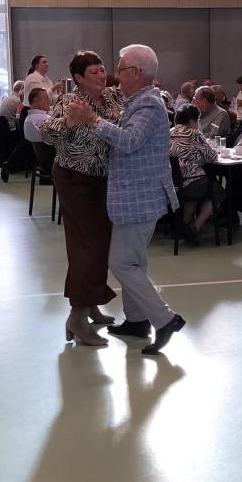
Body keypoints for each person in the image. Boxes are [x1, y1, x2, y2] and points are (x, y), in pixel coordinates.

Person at [66, 44, 184, 356]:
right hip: (135, 198)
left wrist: (92, 120)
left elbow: (130, 141)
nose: (116, 76)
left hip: (139, 199)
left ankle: (165, 319)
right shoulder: (138, 101)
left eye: (121, 69)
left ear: (137, 73)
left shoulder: (148, 105)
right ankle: (136, 320)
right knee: (134, 261)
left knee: (121, 262)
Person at [45, 51, 122, 347]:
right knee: (88, 246)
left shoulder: (113, 98)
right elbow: (45, 133)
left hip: (104, 179)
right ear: (78, 78)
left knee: (98, 244)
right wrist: (68, 122)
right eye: (94, 72)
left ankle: (90, 304)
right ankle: (77, 317)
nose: (101, 75)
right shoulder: (70, 101)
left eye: (102, 70)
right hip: (74, 178)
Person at [169, 104, 220, 243]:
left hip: (174, 184)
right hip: (191, 181)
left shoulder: (168, 133)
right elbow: (212, 157)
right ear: (192, 121)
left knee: (195, 190)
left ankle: (184, 224)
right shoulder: (194, 133)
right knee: (218, 192)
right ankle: (195, 226)